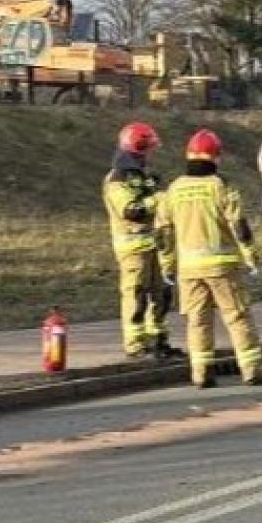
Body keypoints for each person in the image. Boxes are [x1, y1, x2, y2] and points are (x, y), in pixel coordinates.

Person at [156, 129, 262, 389]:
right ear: (215, 157)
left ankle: (201, 374)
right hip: (222, 267)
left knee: (197, 322)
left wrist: (167, 266)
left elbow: (162, 233)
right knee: (237, 317)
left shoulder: (173, 190)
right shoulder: (220, 186)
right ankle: (252, 371)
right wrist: (251, 257)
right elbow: (239, 226)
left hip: (188, 270)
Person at [103, 122, 179, 359]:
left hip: (153, 244)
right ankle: (135, 345)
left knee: (161, 294)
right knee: (136, 295)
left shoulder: (139, 176)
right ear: (138, 148)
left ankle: (158, 340)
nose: (149, 154)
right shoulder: (117, 179)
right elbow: (132, 211)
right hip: (133, 248)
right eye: (147, 149)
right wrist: (159, 200)